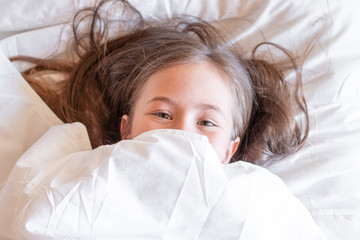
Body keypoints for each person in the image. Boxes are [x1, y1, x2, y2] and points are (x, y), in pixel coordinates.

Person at [10, 0, 309, 164]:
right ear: (126, 129)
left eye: (206, 122)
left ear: (230, 150)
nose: (181, 133)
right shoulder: (77, 171)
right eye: (162, 114)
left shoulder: (251, 197)